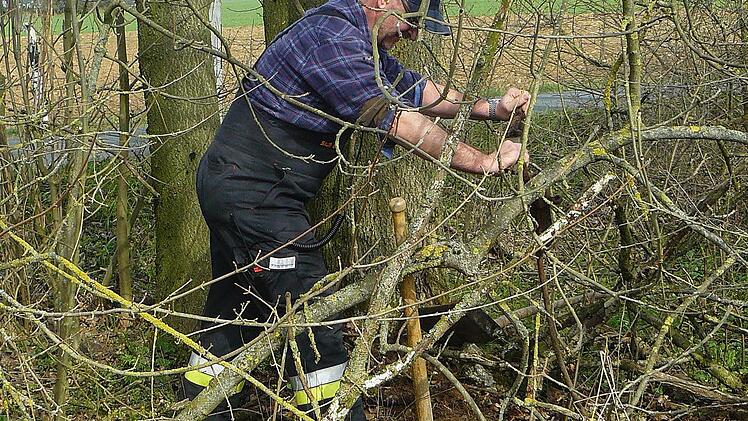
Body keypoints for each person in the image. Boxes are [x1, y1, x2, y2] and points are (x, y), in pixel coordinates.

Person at [183, 0, 530, 419]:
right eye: (412, 22)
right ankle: (332, 411)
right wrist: (484, 161)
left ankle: (205, 407)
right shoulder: (332, 40)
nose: (414, 35)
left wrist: (491, 109)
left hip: (243, 188)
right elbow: (400, 121)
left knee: (236, 303)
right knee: (311, 312)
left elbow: (417, 91)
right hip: (254, 195)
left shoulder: (356, 45)